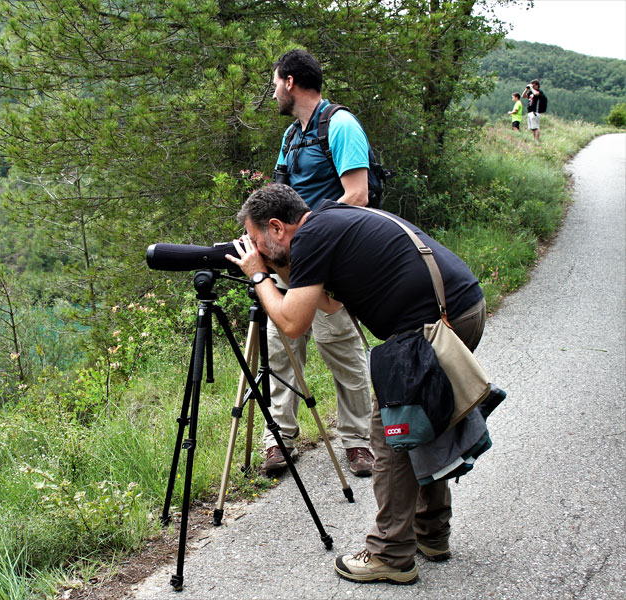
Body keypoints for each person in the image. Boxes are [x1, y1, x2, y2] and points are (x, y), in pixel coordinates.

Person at [226, 183, 486, 585]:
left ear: (277, 227)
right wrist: (275, 268)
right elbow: (331, 303)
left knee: (392, 437)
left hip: (432, 327)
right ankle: (431, 534)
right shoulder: (328, 221)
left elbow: (294, 324)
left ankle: (389, 555)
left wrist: (257, 274)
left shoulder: (311, 238)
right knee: (424, 425)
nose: (254, 248)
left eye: (256, 239)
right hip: (460, 308)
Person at [260, 48, 374, 477]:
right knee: (281, 351)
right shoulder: (292, 138)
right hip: (290, 265)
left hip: (330, 265)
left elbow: (358, 195)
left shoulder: (341, 125)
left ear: (290, 81)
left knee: (342, 349)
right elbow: (276, 198)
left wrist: (308, 234)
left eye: (275, 83)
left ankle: (359, 442)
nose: (273, 92)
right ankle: (280, 440)